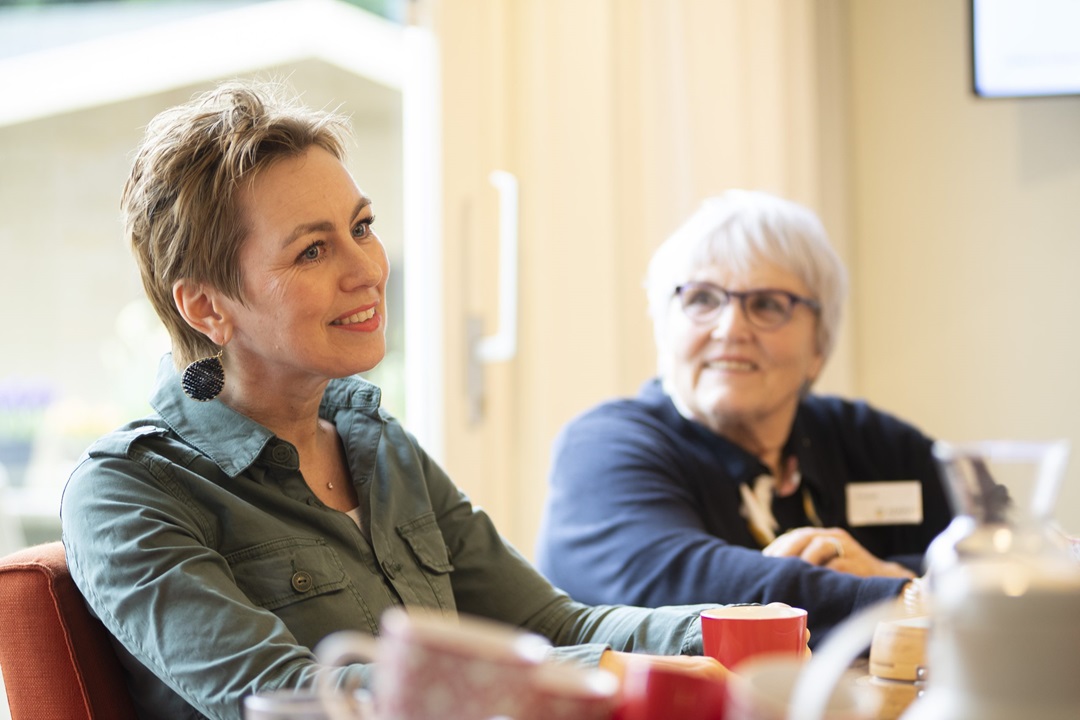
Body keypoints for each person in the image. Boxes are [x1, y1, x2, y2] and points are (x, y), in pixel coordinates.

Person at [59, 80, 724, 720]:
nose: (368, 271)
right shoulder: (128, 492)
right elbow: (288, 695)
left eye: (363, 226)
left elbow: (550, 624)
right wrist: (604, 673)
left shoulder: (373, 442)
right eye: (314, 250)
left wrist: (723, 632)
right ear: (207, 305)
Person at [535, 190, 951, 644]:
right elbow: (682, 586)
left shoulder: (871, 443)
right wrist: (912, 595)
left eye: (768, 304)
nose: (731, 328)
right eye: (701, 299)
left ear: (819, 345)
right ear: (664, 327)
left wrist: (890, 573)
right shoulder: (604, 448)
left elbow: (1003, 556)